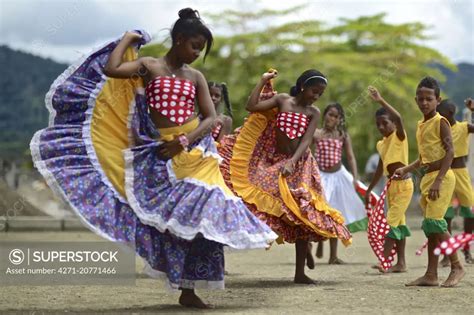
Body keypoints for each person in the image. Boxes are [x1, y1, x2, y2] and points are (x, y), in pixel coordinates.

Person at [31, 8, 277, 309]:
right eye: (194, 46)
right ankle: (184, 287)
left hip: (197, 152)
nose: (197, 53)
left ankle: (191, 287)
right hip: (161, 153)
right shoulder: (149, 66)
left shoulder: (195, 76)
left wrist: (184, 141)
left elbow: (210, 117)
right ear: (179, 39)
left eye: (201, 49)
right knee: (175, 222)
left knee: (207, 207)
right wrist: (127, 38)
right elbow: (112, 69)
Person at [218, 69, 352, 284]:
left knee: (302, 212)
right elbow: (251, 106)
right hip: (273, 160)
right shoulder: (282, 100)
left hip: (299, 164)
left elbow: (307, 140)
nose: (316, 96)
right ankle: (302, 247)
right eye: (314, 91)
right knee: (261, 200)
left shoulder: (314, 112)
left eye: (320, 93)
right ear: (302, 86)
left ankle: (300, 272)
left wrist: (292, 161)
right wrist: (262, 81)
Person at [393, 77, 465, 287]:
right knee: (430, 228)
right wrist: (406, 169)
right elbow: (424, 157)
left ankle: (457, 266)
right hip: (428, 177)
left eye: (429, 99)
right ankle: (431, 275)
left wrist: (438, 181)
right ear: (416, 100)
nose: (425, 102)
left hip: (442, 178)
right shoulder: (421, 124)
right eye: (421, 99)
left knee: (435, 223)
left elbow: (450, 151)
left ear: (438, 100)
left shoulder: (440, 121)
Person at [365, 86, 414, 273]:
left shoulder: (399, 136)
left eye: (385, 123)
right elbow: (380, 168)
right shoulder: (381, 143)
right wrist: (369, 189)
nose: (381, 127)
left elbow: (400, 117)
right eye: (378, 124)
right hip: (391, 186)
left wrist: (380, 100)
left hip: (404, 186)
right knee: (399, 224)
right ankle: (400, 264)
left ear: (393, 123)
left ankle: (384, 260)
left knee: (390, 222)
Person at [312, 103, 367, 264]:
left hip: (339, 176)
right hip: (322, 176)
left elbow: (350, 157)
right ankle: (317, 241)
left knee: (336, 213)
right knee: (319, 210)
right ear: (325, 116)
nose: (333, 119)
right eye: (330, 115)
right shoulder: (316, 134)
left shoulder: (342, 135)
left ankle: (333, 255)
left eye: (336, 116)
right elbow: (306, 152)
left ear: (340, 119)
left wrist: (355, 178)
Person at [436, 98, 474, 266]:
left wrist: (473, 111)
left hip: (461, 173)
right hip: (446, 173)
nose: (438, 116)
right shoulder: (439, 130)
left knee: (470, 211)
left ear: (450, 113)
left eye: (440, 113)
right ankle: (447, 254)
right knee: (447, 214)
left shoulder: (464, 127)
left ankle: (466, 249)